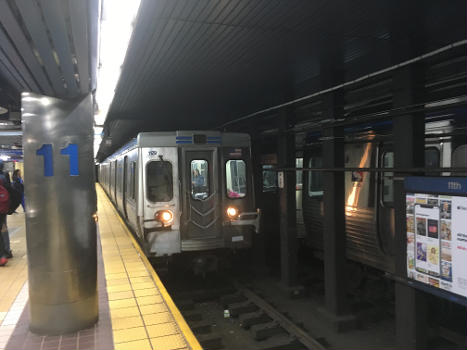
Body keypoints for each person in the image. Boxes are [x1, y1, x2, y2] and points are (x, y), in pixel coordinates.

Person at [0, 161, 11, 264]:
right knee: (4, 229)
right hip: (2, 208)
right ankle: (6, 251)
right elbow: (10, 191)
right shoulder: (3, 177)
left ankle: (2, 254)